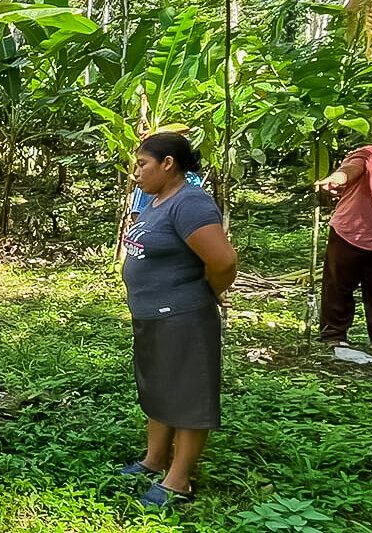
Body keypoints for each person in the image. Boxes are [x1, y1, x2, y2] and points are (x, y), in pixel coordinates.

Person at [118, 133, 236, 507]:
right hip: (152, 315)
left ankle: (178, 480)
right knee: (159, 388)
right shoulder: (156, 200)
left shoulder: (191, 204)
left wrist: (208, 291)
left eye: (142, 164)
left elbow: (224, 261)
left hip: (183, 316)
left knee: (187, 395)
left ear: (168, 163)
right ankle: (154, 459)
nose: (136, 172)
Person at [314, 136, 372, 357]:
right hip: (352, 232)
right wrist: (335, 179)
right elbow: (350, 169)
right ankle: (334, 336)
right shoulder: (370, 154)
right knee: (339, 286)